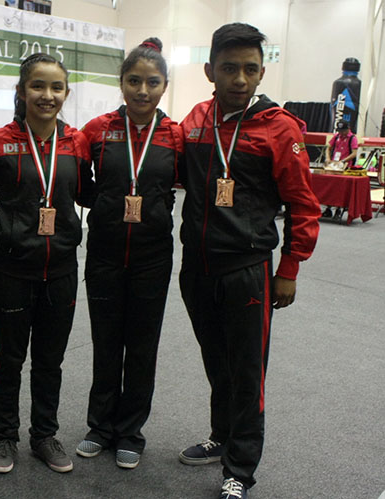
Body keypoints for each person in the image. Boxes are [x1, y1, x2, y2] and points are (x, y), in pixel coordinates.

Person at [178, 23, 320, 499]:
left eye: (250, 69)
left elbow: (304, 205)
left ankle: (239, 468)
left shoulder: (280, 128)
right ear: (209, 71)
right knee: (215, 361)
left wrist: (289, 269)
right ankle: (221, 436)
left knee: (247, 373)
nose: (240, 78)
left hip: (248, 269)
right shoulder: (196, 120)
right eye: (229, 68)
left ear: (262, 72)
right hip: (196, 267)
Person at [0, 53, 93, 475]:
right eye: (38, 86)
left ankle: (44, 434)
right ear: (22, 91)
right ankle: (5, 436)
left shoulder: (77, 144)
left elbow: (87, 195)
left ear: (65, 92)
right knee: (9, 357)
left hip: (61, 269)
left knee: (50, 359)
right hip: (12, 269)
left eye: (56, 87)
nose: (48, 95)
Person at [75, 38, 182, 470]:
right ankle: (100, 427)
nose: (142, 90)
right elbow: (82, 185)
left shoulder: (175, 135)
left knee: (141, 345)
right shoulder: (97, 130)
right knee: (105, 342)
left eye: (152, 82)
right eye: (134, 81)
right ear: (121, 82)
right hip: (103, 252)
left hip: (153, 255)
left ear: (164, 85)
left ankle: (131, 432)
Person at [322, 120, 359, 219]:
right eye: (339, 130)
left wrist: (343, 161)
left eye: (343, 131)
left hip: (345, 166)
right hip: (334, 165)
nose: (341, 133)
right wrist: (328, 158)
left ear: (348, 129)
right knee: (330, 187)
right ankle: (328, 208)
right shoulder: (337, 136)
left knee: (340, 189)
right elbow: (328, 148)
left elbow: (354, 153)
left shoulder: (352, 138)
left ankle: (339, 209)